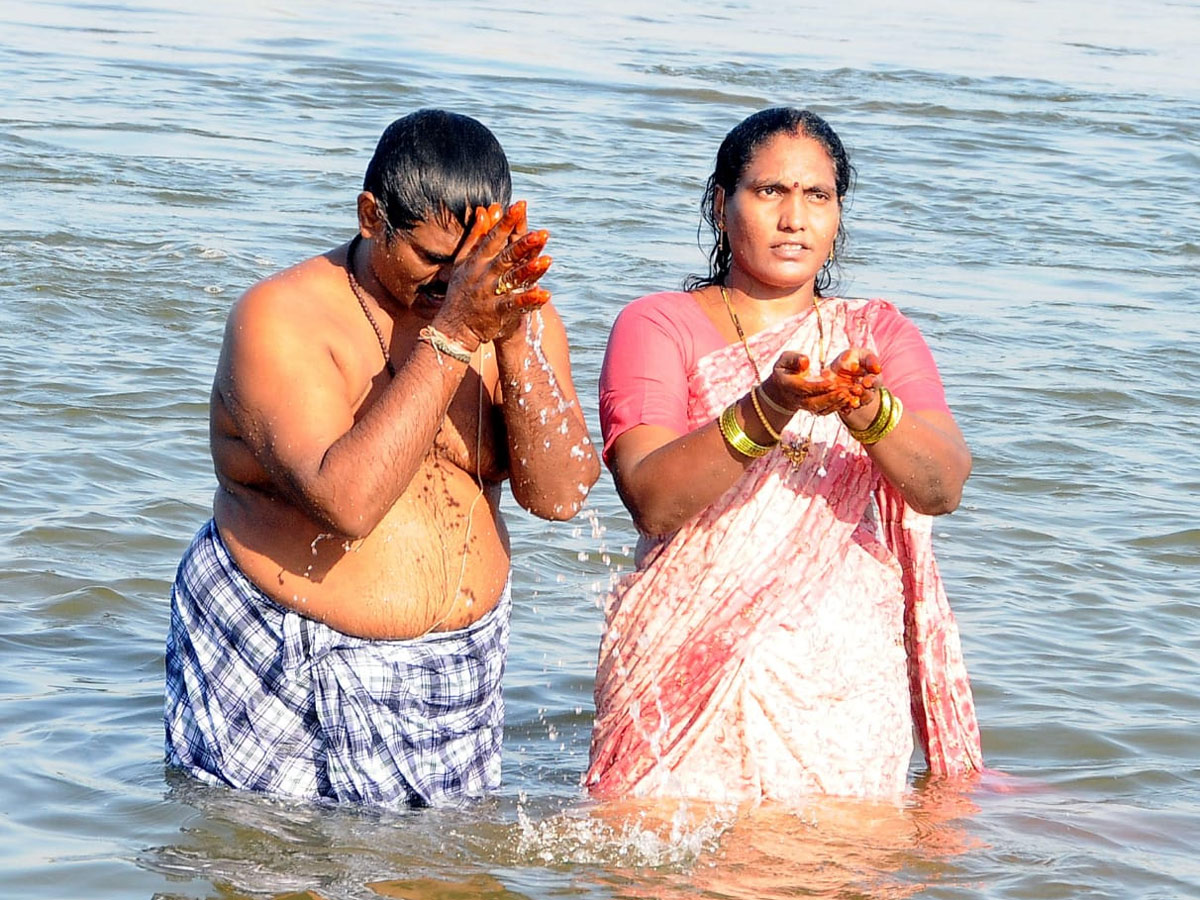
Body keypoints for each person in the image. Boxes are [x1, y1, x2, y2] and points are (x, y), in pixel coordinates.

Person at [165, 109, 600, 807]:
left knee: (441, 881)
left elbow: (561, 495)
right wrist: (457, 329)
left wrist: (513, 334)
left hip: (456, 676)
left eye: (468, 265)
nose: (450, 284)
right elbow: (349, 503)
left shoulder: (507, 308)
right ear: (372, 218)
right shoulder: (281, 318)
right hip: (284, 664)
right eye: (431, 262)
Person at [586, 107, 984, 803]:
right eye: (770, 191)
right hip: (682, 656)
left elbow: (942, 485)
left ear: (837, 216)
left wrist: (863, 406)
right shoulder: (657, 325)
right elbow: (652, 495)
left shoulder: (875, 335)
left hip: (839, 680)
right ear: (721, 204)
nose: (794, 217)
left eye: (817, 196)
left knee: (836, 863)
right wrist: (770, 405)